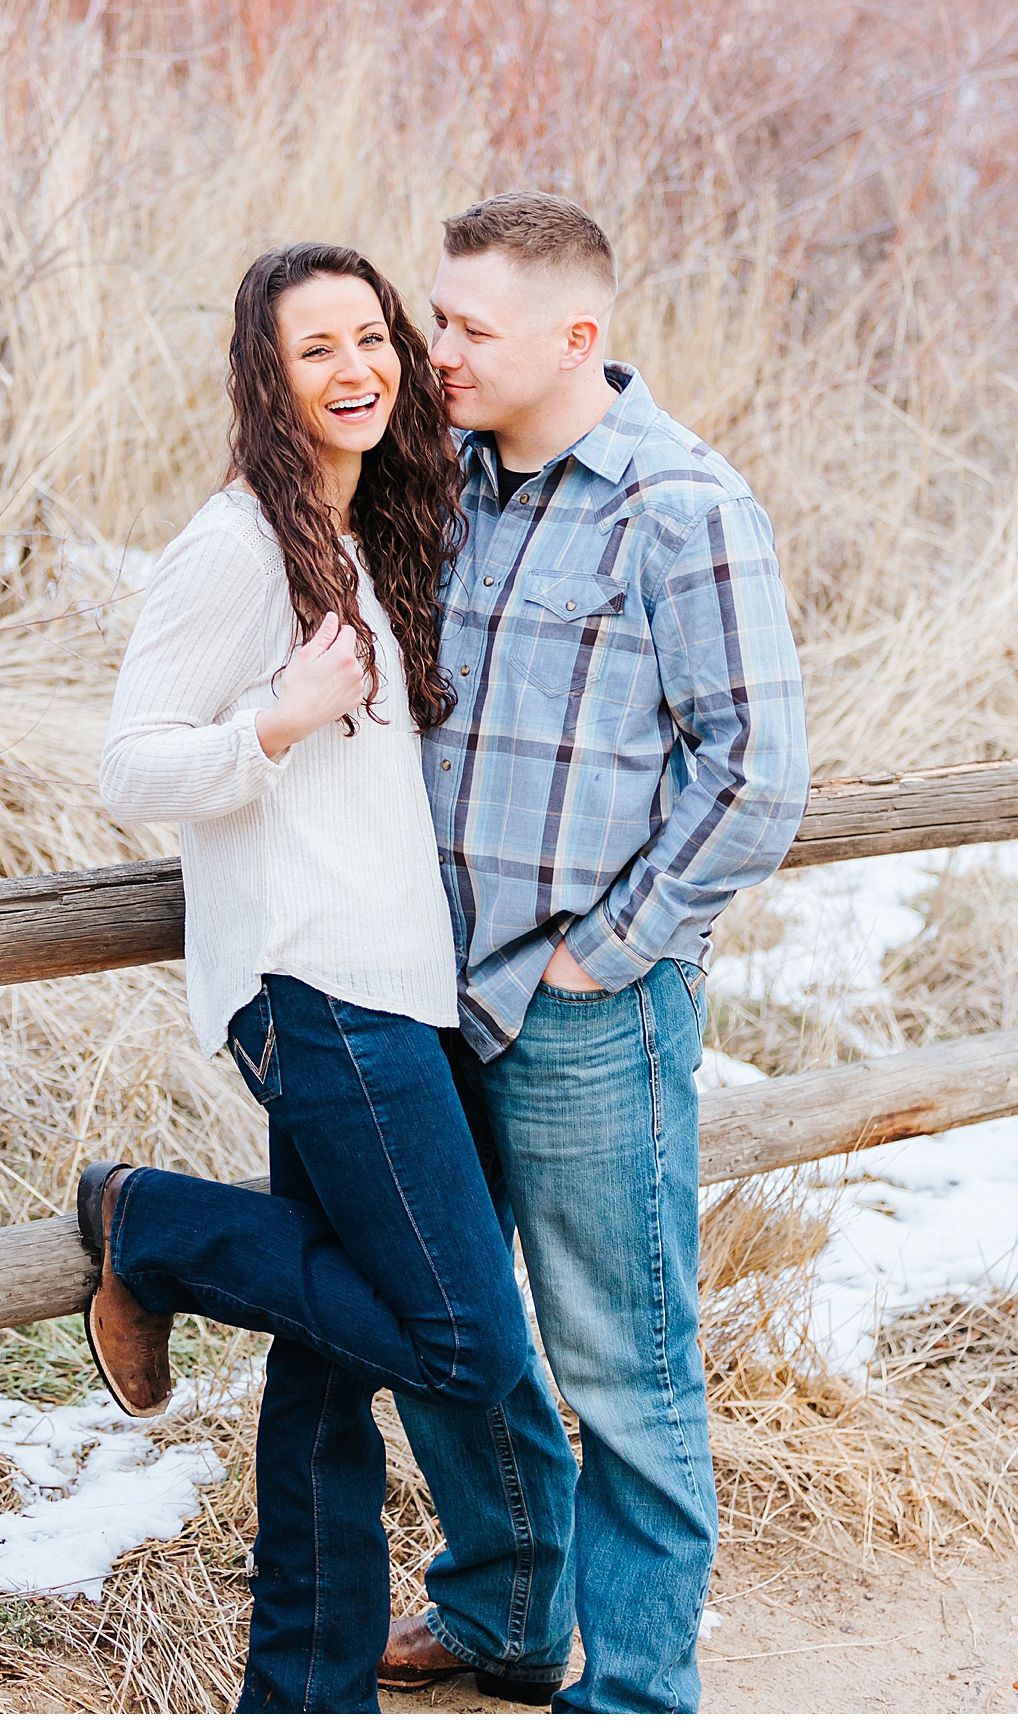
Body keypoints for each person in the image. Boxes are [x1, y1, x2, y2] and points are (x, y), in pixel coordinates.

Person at [91, 242, 538, 1716]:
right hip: (315, 994)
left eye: (373, 340)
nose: (357, 371)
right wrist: (275, 722)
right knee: (463, 1339)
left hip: (392, 990)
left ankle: (303, 1686)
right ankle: (145, 1218)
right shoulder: (236, 547)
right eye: (315, 352)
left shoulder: (371, 529)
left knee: (331, 1362)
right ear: (265, 380)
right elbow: (127, 763)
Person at [378, 193, 810, 1716]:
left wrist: (607, 950)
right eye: (436, 317)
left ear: (581, 335)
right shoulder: (452, 488)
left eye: (468, 327)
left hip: (580, 1011)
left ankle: (634, 1686)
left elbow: (756, 770)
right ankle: (499, 1616)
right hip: (423, 994)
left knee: (622, 1366)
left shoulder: (683, 505)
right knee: (448, 1326)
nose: (436, 351)